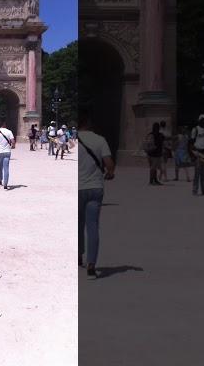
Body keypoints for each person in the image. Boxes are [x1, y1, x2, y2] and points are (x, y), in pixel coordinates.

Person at [77, 108, 115, 280]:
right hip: (95, 188)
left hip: (77, 189)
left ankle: (78, 255)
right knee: (92, 226)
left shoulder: (73, 141)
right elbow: (109, 164)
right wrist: (110, 173)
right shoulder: (100, 140)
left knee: (78, 224)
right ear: (89, 124)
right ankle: (92, 263)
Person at [190, 114, 204, 195]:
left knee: (203, 173)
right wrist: (192, 154)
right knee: (197, 172)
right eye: (203, 120)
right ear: (200, 120)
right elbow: (191, 142)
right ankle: (195, 190)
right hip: (198, 152)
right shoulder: (195, 129)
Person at [0, 120, 15, 190]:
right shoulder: (9, 131)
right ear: (4, 124)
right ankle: (5, 184)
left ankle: (0, 180)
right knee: (6, 168)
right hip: (7, 151)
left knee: (0, 167)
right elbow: (13, 141)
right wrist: (13, 146)